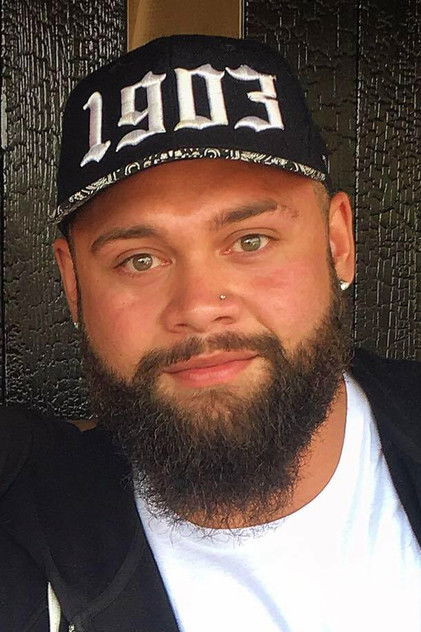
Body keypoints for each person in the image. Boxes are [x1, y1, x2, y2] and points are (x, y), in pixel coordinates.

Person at [1, 34, 420, 632]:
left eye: (251, 241)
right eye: (139, 259)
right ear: (72, 284)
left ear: (337, 243)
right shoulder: (24, 527)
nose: (199, 307)